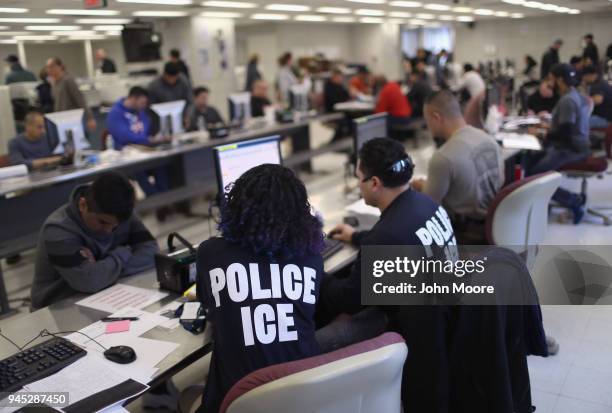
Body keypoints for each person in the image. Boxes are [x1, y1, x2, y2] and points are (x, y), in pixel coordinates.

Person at [320, 138, 456, 412]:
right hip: (443, 315)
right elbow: (403, 235)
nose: (359, 185)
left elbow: (349, 300)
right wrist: (356, 236)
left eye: (359, 179)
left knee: (318, 336)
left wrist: (313, 270)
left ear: (374, 183)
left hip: (411, 331)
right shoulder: (425, 204)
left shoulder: (386, 236)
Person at [196, 164, 324, 413]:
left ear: (236, 208)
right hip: (303, 396)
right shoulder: (312, 259)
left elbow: (208, 305)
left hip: (237, 401)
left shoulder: (210, 253)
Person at [30, 172, 159, 309]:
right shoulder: (58, 230)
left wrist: (103, 272)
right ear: (83, 205)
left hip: (104, 294)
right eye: (102, 222)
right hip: (57, 305)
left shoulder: (119, 211)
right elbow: (89, 281)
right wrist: (124, 252)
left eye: (116, 226)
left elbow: (151, 251)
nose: (109, 230)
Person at [411, 90, 504, 243]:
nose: (427, 127)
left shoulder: (442, 157)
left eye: (427, 121)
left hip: (465, 235)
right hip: (494, 225)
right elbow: (499, 180)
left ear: (436, 117)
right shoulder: (489, 140)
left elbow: (427, 209)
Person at [527, 63, 590, 224]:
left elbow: (565, 135)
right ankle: (543, 203)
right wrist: (548, 127)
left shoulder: (567, 101)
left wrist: (541, 133)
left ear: (560, 80)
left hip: (571, 149)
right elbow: (566, 126)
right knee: (531, 162)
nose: (549, 83)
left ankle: (573, 200)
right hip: (575, 145)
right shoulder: (574, 95)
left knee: (535, 176)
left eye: (551, 79)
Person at [45, 57, 96, 131]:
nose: (49, 69)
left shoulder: (68, 80)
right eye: (47, 67)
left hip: (72, 119)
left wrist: (90, 118)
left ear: (60, 66)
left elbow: (80, 99)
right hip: (61, 119)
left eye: (51, 66)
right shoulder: (54, 83)